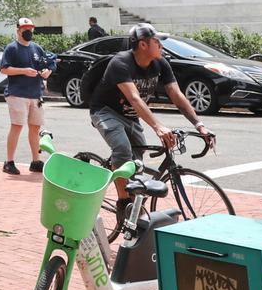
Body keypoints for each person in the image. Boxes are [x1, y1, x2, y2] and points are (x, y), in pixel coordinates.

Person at [90, 23, 215, 203]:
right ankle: (124, 202)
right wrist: (158, 127)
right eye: (157, 42)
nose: (162, 46)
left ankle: (130, 193)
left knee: (137, 161)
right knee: (123, 149)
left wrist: (199, 125)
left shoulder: (160, 63)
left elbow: (176, 95)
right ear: (143, 44)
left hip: (131, 116)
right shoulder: (120, 63)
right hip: (105, 111)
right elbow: (134, 98)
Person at [0, 17, 54, 175]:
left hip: (35, 94)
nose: (28, 32)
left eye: (30, 29)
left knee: (35, 127)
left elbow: (47, 65)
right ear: (18, 31)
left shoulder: (37, 48)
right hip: (17, 93)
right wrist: (24, 70)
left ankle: (35, 161)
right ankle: (9, 161)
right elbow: (4, 69)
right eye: (25, 29)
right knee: (17, 126)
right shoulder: (12, 48)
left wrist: (46, 72)